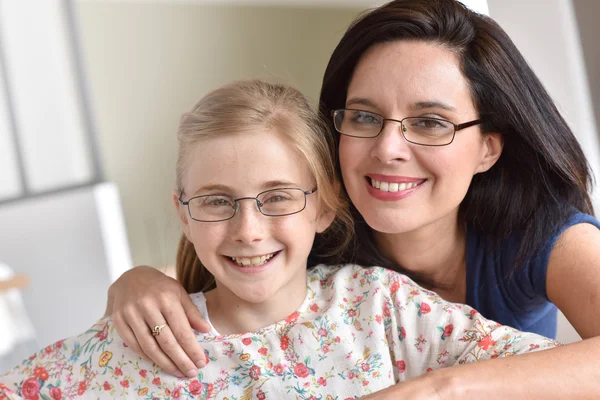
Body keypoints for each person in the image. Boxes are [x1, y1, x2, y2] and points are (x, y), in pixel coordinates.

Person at [106, 0, 600, 396]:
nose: (387, 149)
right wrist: (136, 282)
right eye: (364, 117)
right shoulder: (313, 233)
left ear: (488, 148)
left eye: (429, 123)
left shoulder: (544, 233)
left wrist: (440, 389)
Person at [0, 80, 559, 400]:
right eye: (218, 201)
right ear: (184, 216)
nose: (248, 229)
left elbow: (549, 373)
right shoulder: (135, 347)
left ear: (324, 206)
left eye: (278, 197)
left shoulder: (379, 309)